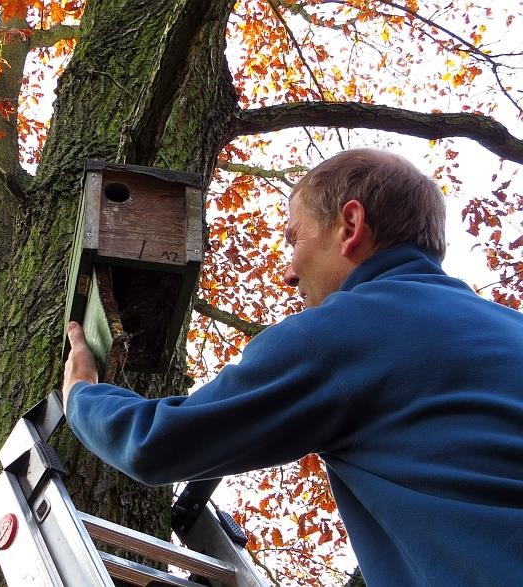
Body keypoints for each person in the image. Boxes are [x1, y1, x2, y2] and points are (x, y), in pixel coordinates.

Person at [61, 148, 523, 586]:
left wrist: (83, 392)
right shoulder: (509, 327)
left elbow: (155, 443)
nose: (288, 273)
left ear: (350, 226)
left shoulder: (346, 331)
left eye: (294, 237)